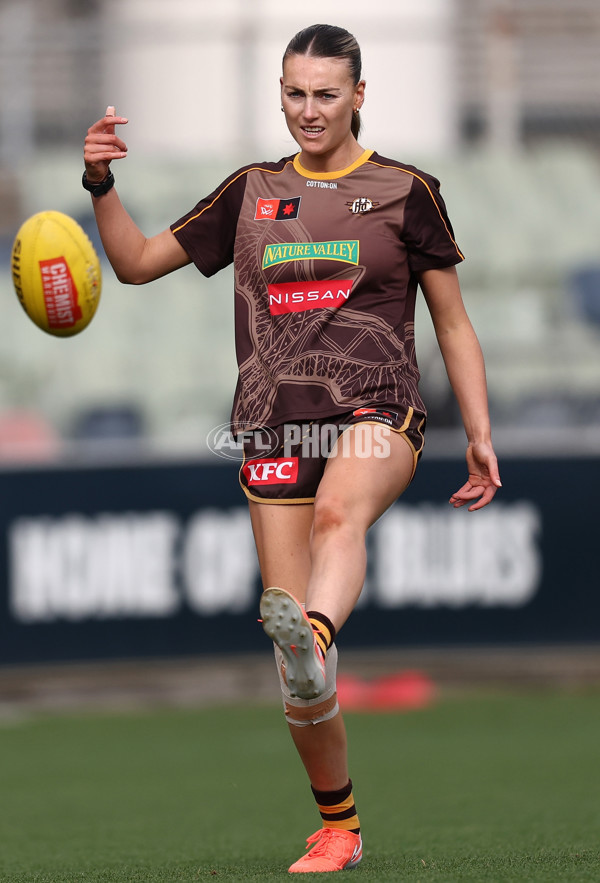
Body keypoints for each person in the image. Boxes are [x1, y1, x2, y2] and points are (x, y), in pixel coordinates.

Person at [83, 23, 501, 874]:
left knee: (339, 519)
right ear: (280, 92)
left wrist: (481, 435)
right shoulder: (247, 191)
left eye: (326, 93)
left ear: (357, 95)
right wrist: (98, 183)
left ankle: (312, 625)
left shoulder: (405, 190)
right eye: (295, 93)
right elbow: (129, 263)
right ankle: (339, 823)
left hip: (376, 412)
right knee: (299, 680)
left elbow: (453, 321)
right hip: (273, 428)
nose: (309, 110)